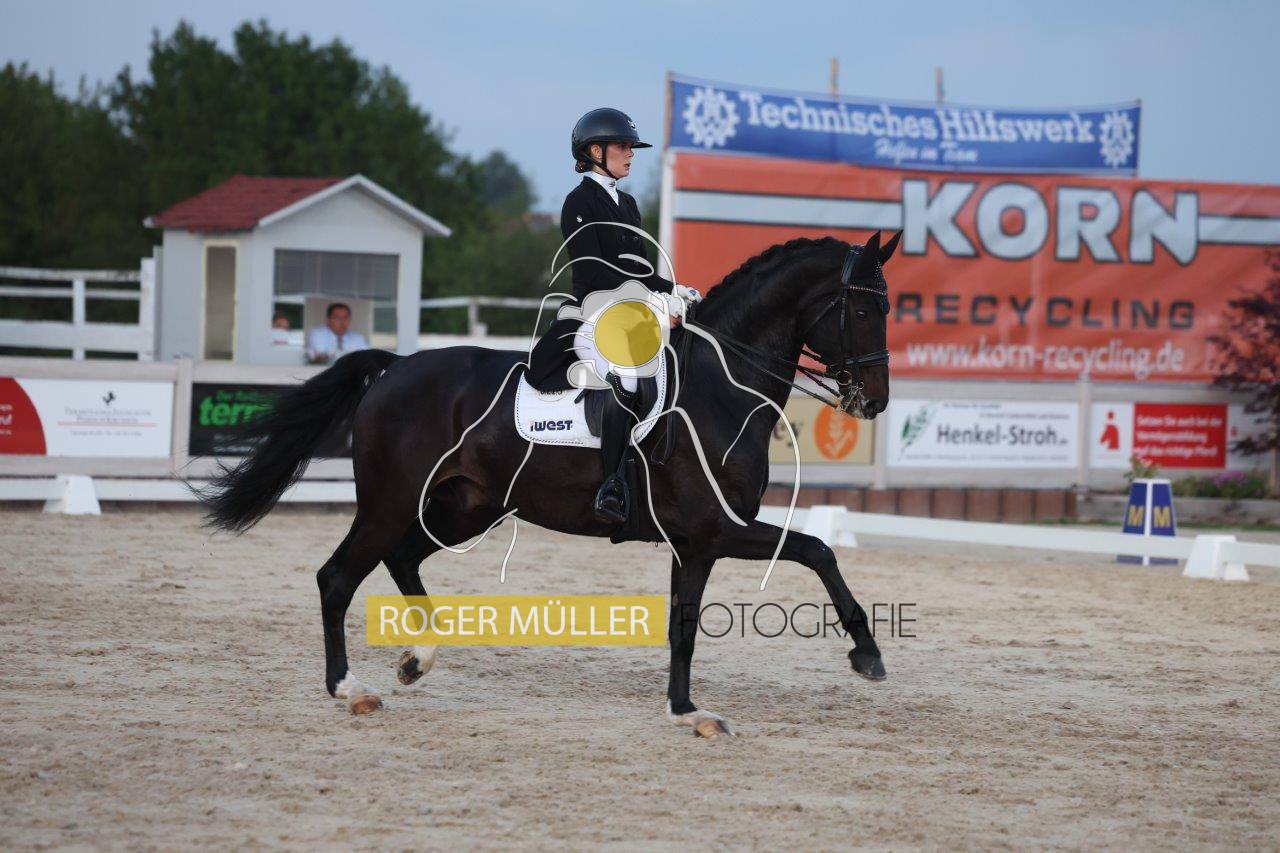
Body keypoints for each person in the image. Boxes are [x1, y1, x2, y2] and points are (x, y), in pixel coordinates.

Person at [528, 107, 702, 524]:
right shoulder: (579, 201)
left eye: (630, 147)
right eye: (623, 146)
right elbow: (594, 270)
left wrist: (672, 291)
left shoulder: (627, 203)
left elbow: (637, 268)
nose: (630, 153)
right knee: (627, 376)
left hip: (630, 312)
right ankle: (611, 485)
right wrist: (657, 300)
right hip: (593, 312)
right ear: (596, 151)